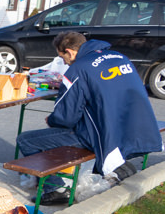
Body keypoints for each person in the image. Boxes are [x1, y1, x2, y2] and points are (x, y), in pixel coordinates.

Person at [16, 31, 162, 205]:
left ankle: (56, 189)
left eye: (62, 57)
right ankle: (118, 166)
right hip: (139, 127)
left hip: (104, 135)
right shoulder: (119, 57)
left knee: (26, 140)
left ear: (69, 52)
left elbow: (66, 118)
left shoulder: (78, 69)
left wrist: (52, 119)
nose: (64, 62)